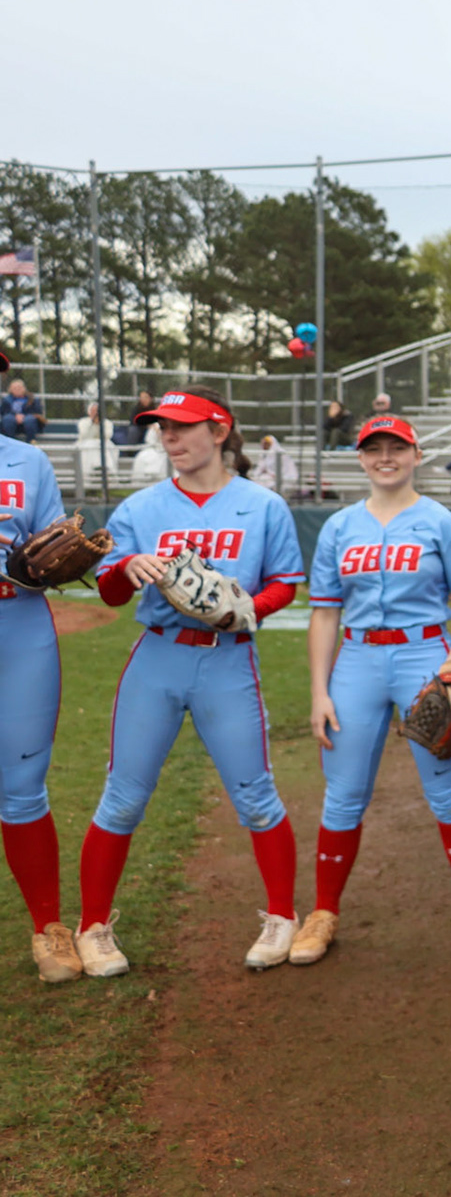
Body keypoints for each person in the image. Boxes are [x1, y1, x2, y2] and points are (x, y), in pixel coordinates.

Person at [79, 388, 306, 975]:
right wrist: (127, 568)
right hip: (157, 658)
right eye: (163, 429)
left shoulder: (262, 506)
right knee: (123, 799)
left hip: (228, 660)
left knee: (256, 797)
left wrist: (249, 606)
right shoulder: (141, 508)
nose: (170, 438)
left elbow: (285, 582)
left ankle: (282, 917)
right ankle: (92, 928)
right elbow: (107, 588)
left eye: (181, 427)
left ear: (219, 430)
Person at [292, 415, 451, 963]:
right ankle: (324, 910)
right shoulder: (339, 527)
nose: (385, 457)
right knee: (343, 793)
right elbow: (325, 614)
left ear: (415, 454)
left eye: (395, 448)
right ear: (360, 458)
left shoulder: (440, 521)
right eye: (373, 448)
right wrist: (319, 690)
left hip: (423, 653)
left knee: (446, 787)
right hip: (356, 659)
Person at [0, 351, 85, 982]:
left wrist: (47, 561)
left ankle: (49, 929)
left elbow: (51, 548)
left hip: (18, 628)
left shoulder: (26, 460)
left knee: (23, 787)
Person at [73, 402, 114, 493]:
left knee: (107, 446)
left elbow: (107, 435)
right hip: (86, 443)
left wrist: (99, 425)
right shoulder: (83, 422)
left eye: (97, 411)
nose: (95, 413)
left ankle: (108, 474)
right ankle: (87, 478)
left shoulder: (107, 423)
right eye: (93, 411)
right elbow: (85, 435)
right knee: (89, 446)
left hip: (102, 444)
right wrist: (92, 424)